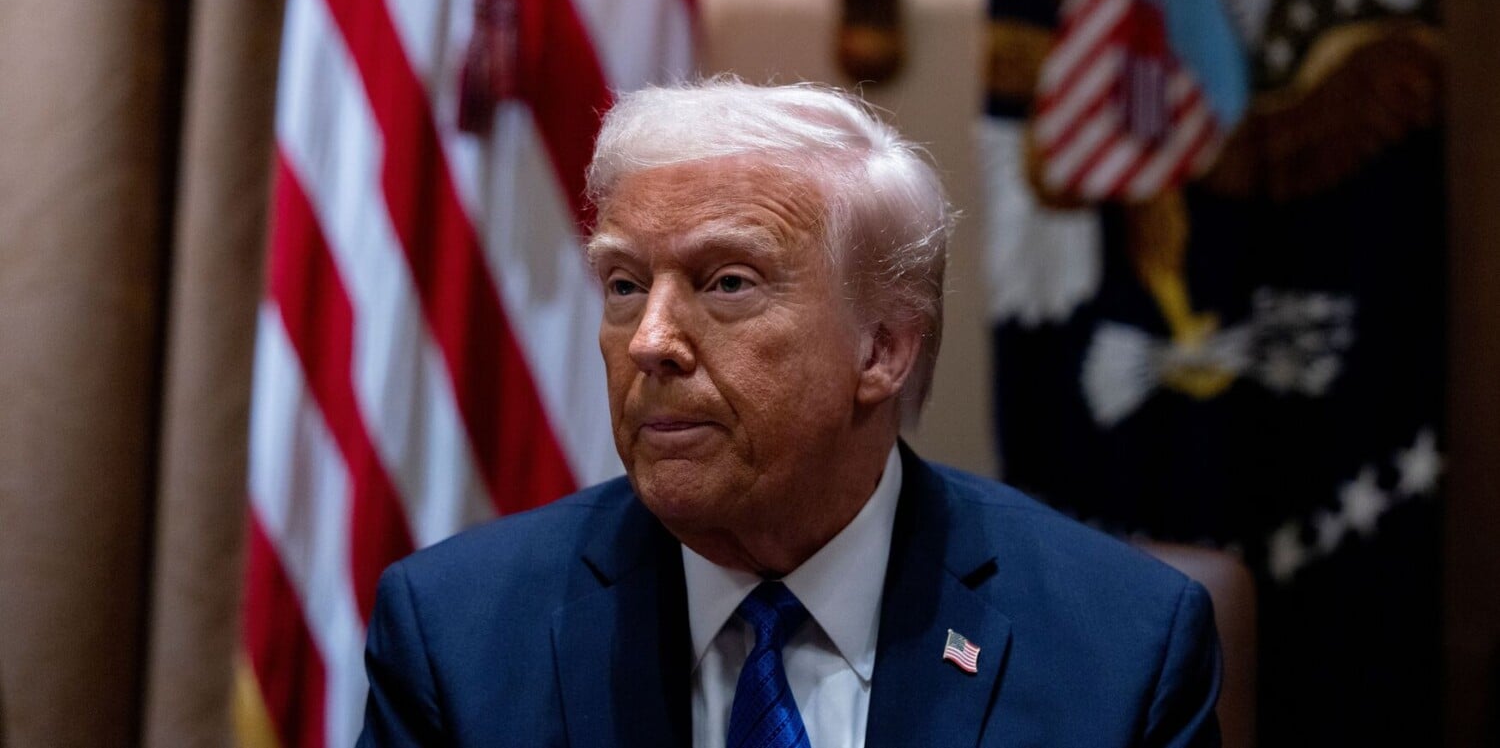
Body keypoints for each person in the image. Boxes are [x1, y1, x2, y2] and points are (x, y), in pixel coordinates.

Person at [357, 77, 1222, 747]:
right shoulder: (456, 639)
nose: (650, 338)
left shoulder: (1119, 652)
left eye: (726, 282)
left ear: (883, 348)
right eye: (623, 285)